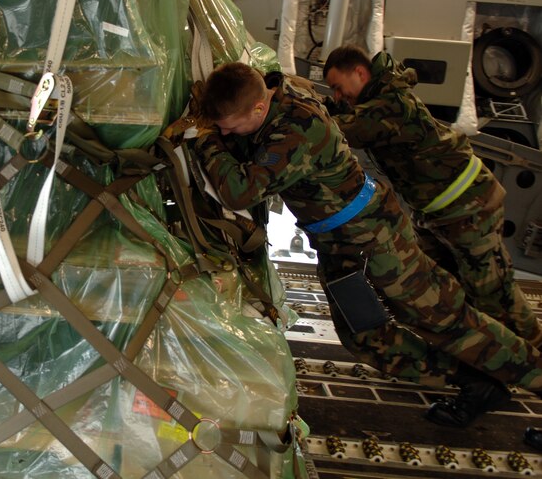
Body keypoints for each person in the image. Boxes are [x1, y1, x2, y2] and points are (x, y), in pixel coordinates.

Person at [193, 61, 542, 428]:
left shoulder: (297, 129)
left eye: (229, 126)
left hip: (376, 239)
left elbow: (239, 191)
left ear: (259, 108)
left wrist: (205, 140)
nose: (223, 131)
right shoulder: (276, 95)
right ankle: (477, 381)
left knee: (448, 321)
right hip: (341, 245)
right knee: (365, 336)